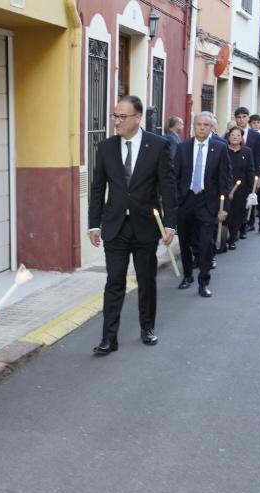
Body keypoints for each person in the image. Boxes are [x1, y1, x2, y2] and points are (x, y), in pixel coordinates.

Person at [88, 95, 177, 352]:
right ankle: (108, 338)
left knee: (146, 280)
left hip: (146, 226)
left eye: (122, 116)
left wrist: (170, 223)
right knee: (114, 281)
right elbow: (97, 188)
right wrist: (94, 224)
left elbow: (167, 187)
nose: (116, 121)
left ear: (137, 118)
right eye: (114, 116)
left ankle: (147, 327)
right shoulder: (105, 147)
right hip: (115, 226)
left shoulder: (158, 146)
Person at [174, 112, 232, 297]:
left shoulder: (220, 148)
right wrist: (174, 201)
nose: (202, 128)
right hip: (186, 200)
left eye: (206, 125)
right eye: (198, 124)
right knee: (184, 241)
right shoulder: (183, 147)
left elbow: (225, 179)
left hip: (208, 202)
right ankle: (188, 275)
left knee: (206, 243)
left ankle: (203, 281)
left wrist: (224, 208)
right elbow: (174, 176)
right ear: (193, 126)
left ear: (211, 128)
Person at [224, 127, 254, 250]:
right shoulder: (223, 151)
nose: (235, 137)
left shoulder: (247, 152)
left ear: (241, 138)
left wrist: (252, 188)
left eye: (238, 135)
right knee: (226, 214)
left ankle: (232, 239)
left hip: (241, 189)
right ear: (228, 137)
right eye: (232, 135)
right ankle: (222, 239)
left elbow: (250, 170)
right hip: (225, 187)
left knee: (237, 214)